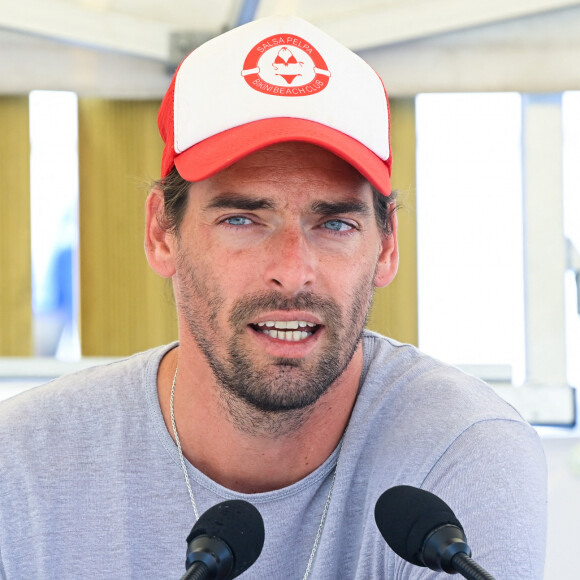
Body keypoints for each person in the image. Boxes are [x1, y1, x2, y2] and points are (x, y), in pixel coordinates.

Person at [0, 15, 546, 579]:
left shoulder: (461, 454)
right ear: (162, 233)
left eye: (334, 224)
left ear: (386, 248)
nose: (293, 271)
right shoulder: (23, 468)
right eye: (242, 219)